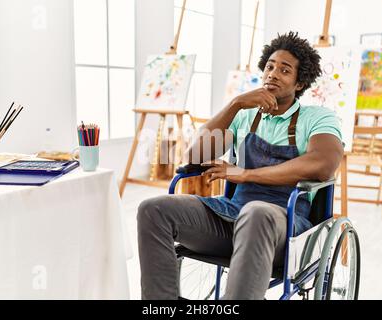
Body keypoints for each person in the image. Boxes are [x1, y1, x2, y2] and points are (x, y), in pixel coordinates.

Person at [137, 31, 344, 300]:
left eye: (284, 70)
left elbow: (323, 164)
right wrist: (235, 105)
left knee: (257, 212)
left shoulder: (317, 118)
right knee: (153, 209)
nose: (272, 74)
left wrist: (246, 174)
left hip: (287, 226)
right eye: (269, 66)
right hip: (233, 216)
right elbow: (195, 155)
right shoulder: (245, 116)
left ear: (300, 82)